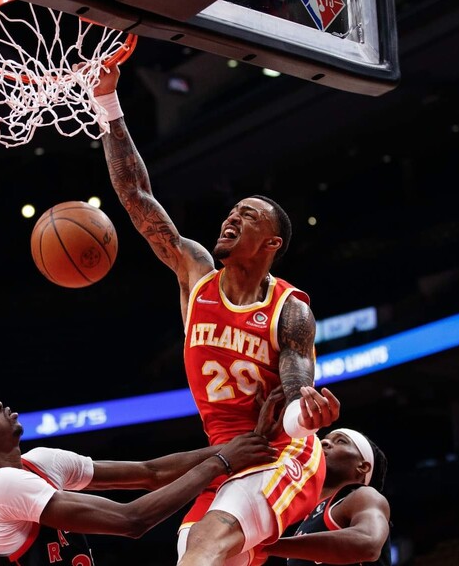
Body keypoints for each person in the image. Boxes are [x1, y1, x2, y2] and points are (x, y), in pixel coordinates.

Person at [93, 66, 341, 566]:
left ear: (272, 244)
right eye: (233, 211)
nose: (231, 217)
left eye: (248, 215)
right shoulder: (196, 275)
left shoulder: (288, 310)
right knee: (192, 550)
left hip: (281, 453)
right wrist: (107, 101)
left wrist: (307, 413)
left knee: (206, 542)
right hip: (223, 460)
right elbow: (137, 198)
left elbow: (295, 396)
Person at [0, 395, 288, 565]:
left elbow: (151, 474)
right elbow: (131, 521)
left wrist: (249, 441)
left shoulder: (38, 463)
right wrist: (222, 462)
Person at [263, 428, 391, 566]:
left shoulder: (364, 496)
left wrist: (267, 547)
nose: (324, 442)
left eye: (340, 441)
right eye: (325, 438)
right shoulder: (305, 518)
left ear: (363, 467)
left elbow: (369, 543)